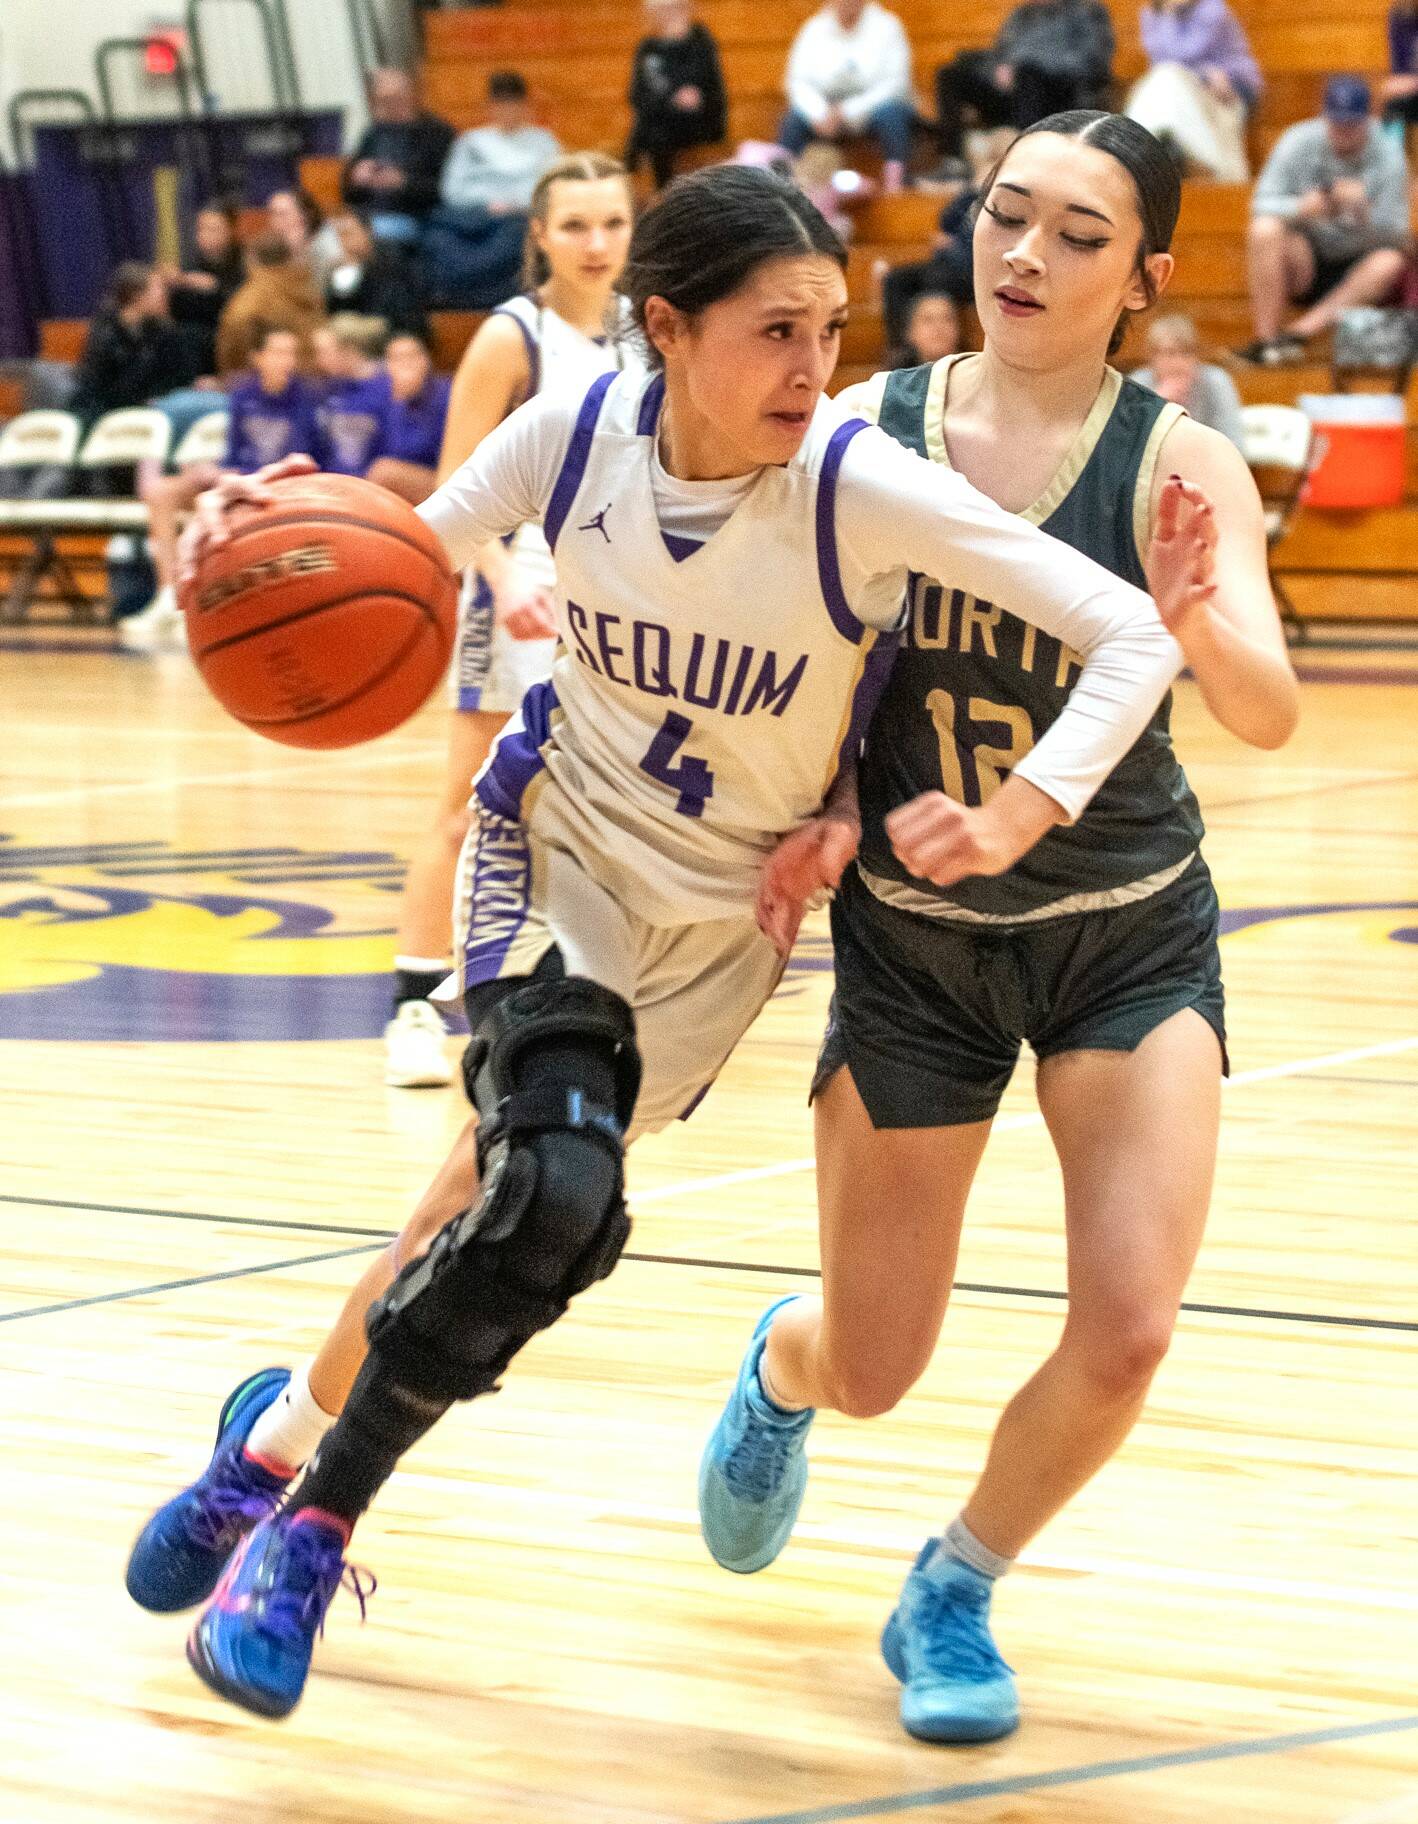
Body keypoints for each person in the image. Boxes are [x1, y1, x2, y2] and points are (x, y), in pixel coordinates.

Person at [124, 162, 1213, 1725]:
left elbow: (1124, 628)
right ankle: (313, 1532)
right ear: (664, 330)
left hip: (717, 928)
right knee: (547, 1190)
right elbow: (400, 553)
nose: (812, 369)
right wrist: (257, 535)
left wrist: (1014, 811)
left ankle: (273, 1446)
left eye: (829, 331)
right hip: (554, 851)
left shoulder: (855, 483)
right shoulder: (574, 438)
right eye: (773, 332)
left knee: (476, 1204)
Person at [697, 112, 1298, 1748]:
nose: (1022, 252)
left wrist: (1183, 619)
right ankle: (783, 1363)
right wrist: (814, 810)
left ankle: (952, 1579)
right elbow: (791, 673)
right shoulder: (858, 431)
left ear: (1145, 280)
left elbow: (1266, 710)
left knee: (1129, 1324)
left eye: (1075, 234)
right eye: (1003, 215)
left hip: (1123, 929)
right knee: (876, 1360)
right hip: (916, 945)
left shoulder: (1176, 463)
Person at [384, 151, 636, 1089]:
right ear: (539, 235)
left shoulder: (644, 333)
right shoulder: (511, 338)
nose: (597, 242)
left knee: (598, 801)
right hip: (515, 575)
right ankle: (412, 1004)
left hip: (610, 585)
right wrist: (499, 580)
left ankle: (578, 983)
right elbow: (459, 492)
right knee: (468, 802)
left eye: (612, 222)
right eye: (575, 225)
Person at [129, 327, 322, 651]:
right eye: (277, 351)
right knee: (162, 492)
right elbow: (234, 455)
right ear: (257, 358)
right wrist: (214, 472)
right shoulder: (243, 396)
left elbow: (300, 460)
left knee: (215, 490)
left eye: (290, 352)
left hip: (280, 486)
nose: (285, 360)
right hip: (238, 481)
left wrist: (232, 477)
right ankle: (167, 596)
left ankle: (199, 601)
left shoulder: (305, 399)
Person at [1239, 75, 1410, 366]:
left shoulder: (1389, 154)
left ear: (1367, 119)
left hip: (1358, 262)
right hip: (1307, 257)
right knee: (1264, 230)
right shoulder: (1298, 140)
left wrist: (1363, 214)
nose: (1342, 132)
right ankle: (1266, 341)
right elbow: (1259, 204)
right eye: (1336, 123)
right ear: (1324, 115)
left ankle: (1296, 334)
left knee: (1390, 261)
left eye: (1351, 125)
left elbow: (1400, 235)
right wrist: (1302, 208)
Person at [425, 73, 563, 308]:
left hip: (521, 216)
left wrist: (516, 204)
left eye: (513, 104)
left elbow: (552, 188)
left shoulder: (544, 142)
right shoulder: (470, 142)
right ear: (490, 106)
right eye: (501, 104)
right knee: (435, 236)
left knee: (518, 236)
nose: (507, 110)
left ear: (525, 106)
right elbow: (452, 190)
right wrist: (488, 203)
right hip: (473, 218)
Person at [935, 0, 1115, 165]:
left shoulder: (1087, 11)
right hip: (1014, 95)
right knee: (950, 75)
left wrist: (1027, 66)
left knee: (1029, 73)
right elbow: (999, 54)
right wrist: (998, 71)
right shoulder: (1021, 16)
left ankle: (1025, 155)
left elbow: (1093, 61)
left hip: (1059, 95)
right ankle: (953, 160)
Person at [778, 0, 916, 194]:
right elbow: (797, 81)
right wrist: (819, 112)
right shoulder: (814, 29)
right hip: (824, 110)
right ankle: (783, 187)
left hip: (872, 106)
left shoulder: (887, 27)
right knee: (794, 119)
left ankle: (894, 185)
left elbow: (895, 83)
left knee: (893, 115)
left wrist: (848, 110)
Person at [1125, 0, 1262, 182]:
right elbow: (1163, 61)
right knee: (1160, 84)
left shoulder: (1213, 10)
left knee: (1168, 79)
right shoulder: (1152, 15)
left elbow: (1179, 56)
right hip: (1174, 97)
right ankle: (1140, 152)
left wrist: (1214, 77)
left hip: (1219, 98)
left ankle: (1208, 165)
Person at [342, 66, 456, 245]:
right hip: (368, 213)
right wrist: (356, 176)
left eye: (393, 98)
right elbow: (347, 190)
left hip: (418, 215)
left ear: (409, 95)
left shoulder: (438, 134)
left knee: (370, 235)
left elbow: (448, 190)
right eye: (382, 101)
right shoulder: (373, 134)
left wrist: (403, 183)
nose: (388, 106)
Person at [626, 0, 728, 189]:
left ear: (686, 8)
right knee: (651, 134)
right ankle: (659, 191)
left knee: (653, 135)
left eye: (673, 8)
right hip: (660, 125)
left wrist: (696, 99)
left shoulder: (701, 42)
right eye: (663, 10)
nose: (669, 16)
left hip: (697, 126)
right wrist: (672, 100)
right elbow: (636, 96)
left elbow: (715, 94)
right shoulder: (648, 48)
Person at [69, 264, 188, 425]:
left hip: (152, 410)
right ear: (136, 296)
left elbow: (176, 378)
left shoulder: (164, 332)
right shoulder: (105, 336)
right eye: (158, 289)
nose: (164, 296)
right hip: (107, 415)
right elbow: (98, 390)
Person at [880, 184, 978, 351]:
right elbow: (946, 219)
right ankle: (901, 345)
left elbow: (979, 250)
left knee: (936, 279)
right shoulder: (974, 197)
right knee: (894, 279)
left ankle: (941, 346)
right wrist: (972, 189)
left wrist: (953, 247)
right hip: (946, 261)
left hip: (969, 270)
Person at [214, 234, 325, 377]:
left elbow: (232, 352)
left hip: (267, 385)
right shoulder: (309, 290)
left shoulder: (249, 299)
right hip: (317, 380)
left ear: (251, 259)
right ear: (289, 258)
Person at [1132, 312, 1245, 447]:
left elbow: (1235, 444)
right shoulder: (1138, 385)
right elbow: (1127, 449)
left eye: (1186, 353)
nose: (1178, 363)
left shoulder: (1216, 381)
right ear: (1152, 357)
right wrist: (1156, 404)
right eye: (1169, 353)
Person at [366, 330, 452, 505]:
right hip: (404, 483)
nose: (405, 364)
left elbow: (439, 454)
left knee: (384, 473)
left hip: (446, 479)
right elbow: (374, 452)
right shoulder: (385, 396)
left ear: (426, 361)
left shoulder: (446, 395)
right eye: (396, 359)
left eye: (411, 356)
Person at [164, 203, 245, 378]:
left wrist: (215, 289)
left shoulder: (245, 262)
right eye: (202, 229)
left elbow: (245, 304)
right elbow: (178, 310)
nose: (206, 235)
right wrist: (177, 284)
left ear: (230, 231)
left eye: (214, 229)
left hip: (229, 334)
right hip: (193, 339)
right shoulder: (191, 263)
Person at [324, 209, 430, 340]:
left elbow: (396, 304)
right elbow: (336, 310)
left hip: (397, 327)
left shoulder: (391, 258)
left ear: (367, 231)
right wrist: (346, 277)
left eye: (348, 234)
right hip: (360, 331)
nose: (344, 242)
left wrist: (362, 273)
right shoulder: (343, 267)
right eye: (339, 237)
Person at [311, 315, 393, 477]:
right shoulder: (327, 390)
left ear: (348, 351)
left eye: (324, 352)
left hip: (372, 484)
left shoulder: (388, 388)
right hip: (332, 482)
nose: (319, 360)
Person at [889, 288, 961, 367]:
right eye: (928, 320)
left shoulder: (973, 373)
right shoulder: (895, 377)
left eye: (947, 319)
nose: (938, 327)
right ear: (910, 332)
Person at [1382, 2, 1418, 138]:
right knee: (1395, 105)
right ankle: (1391, 155)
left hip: (1414, 84)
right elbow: (1400, 70)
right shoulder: (1401, 15)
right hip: (1413, 91)